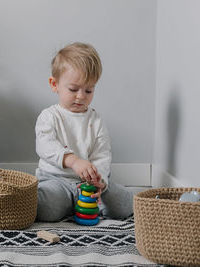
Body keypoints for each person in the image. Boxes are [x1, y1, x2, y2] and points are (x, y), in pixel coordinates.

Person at [35, 42, 133, 222]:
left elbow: (102, 154)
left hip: (90, 184)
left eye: (89, 90)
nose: (81, 96)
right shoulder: (49, 116)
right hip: (56, 181)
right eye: (73, 89)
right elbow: (45, 145)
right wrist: (72, 160)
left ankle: (91, 201)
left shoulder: (96, 121)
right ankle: (67, 203)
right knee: (45, 208)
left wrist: (99, 182)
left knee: (125, 207)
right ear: (54, 84)